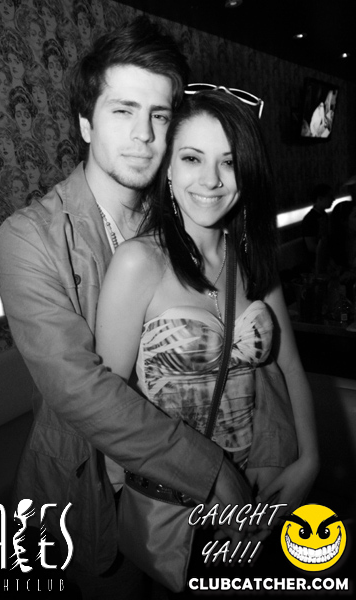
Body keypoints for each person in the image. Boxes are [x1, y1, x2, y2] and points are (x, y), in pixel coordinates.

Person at [0, 18, 253, 599]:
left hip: (184, 497)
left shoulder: (187, 213)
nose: (144, 135)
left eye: (159, 116)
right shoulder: (30, 236)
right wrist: (209, 469)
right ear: (86, 123)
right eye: (123, 111)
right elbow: (79, 388)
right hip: (85, 491)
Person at [95, 89, 319, 590]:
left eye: (229, 162)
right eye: (192, 158)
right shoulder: (139, 263)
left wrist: (309, 459)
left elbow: (290, 367)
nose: (212, 180)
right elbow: (107, 407)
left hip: (262, 490)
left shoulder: (252, 259)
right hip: (177, 508)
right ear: (167, 169)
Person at [302, 183, 334, 272]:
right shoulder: (310, 219)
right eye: (330, 196)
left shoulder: (324, 215)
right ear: (319, 198)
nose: (333, 199)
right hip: (316, 262)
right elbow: (311, 246)